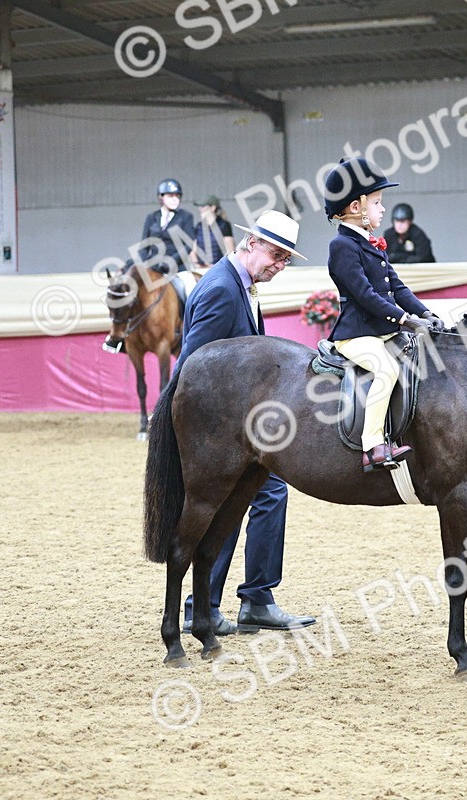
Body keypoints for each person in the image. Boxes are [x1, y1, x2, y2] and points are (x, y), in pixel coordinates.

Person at [175, 209, 315, 635]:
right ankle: (215, 601)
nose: (280, 264)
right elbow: (193, 365)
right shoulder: (221, 289)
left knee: (265, 495)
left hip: (240, 426)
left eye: (287, 258)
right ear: (251, 243)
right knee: (241, 501)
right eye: (276, 253)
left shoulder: (238, 282)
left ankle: (248, 598)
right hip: (221, 430)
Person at [323, 157, 444, 472]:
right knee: (386, 369)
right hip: (356, 335)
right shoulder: (342, 247)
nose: (382, 209)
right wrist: (405, 321)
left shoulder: (373, 245)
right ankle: (372, 445)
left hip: (383, 331)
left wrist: (425, 312)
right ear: (355, 207)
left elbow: (398, 288)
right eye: (377, 203)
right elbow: (365, 296)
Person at [138, 178, 197, 273]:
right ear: (160, 197)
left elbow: (188, 245)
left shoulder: (186, 217)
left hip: (178, 268)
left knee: (189, 285)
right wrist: (138, 263)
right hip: (154, 267)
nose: (175, 199)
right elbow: (144, 246)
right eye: (170, 196)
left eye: (177, 196)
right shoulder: (151, 217)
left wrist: (171, 261)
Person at [191, 194, 236, 268]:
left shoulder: (224, 225)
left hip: (217, 268)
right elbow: (193, 250)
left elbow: (230, 251)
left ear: (213, 208)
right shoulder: (199, 226)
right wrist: (197, 264)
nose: (199, 209)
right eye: (199, 207)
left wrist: (216, 267)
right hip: (200, 269)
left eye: (203, 207)